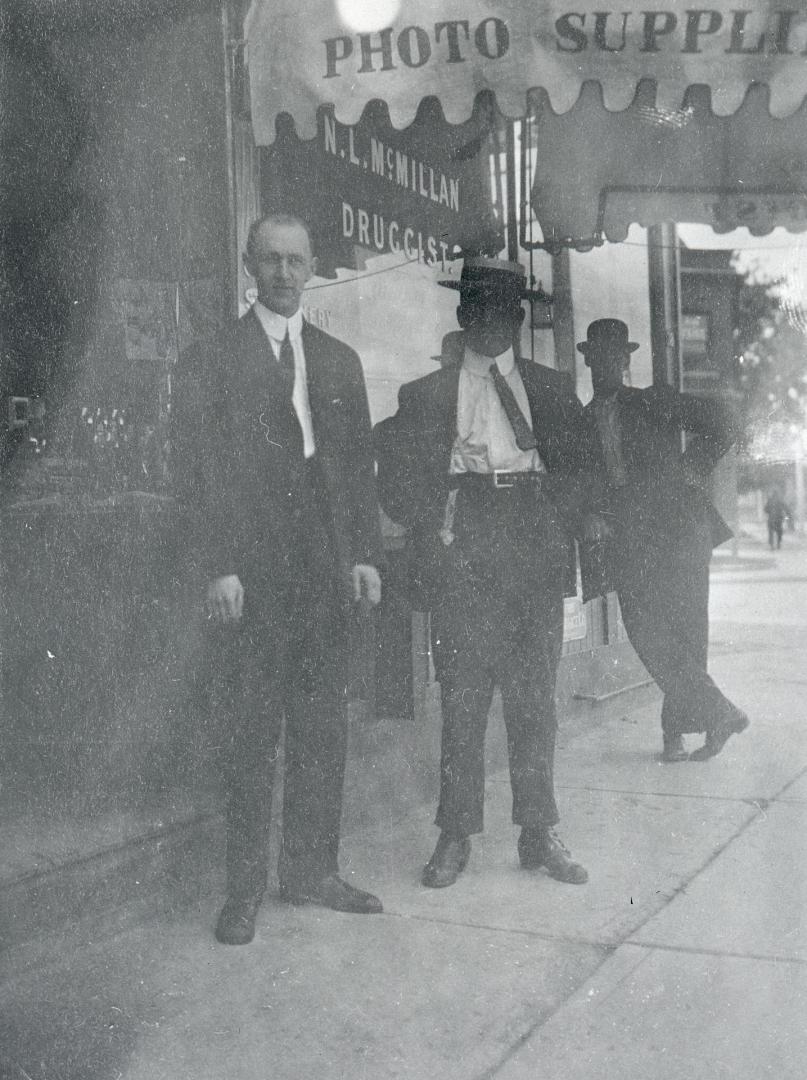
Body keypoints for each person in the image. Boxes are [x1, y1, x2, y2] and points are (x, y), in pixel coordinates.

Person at [173, 213, 384, 945]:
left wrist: (362, 554)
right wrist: (218, 566)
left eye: (296, 260)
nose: (284, 273)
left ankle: (311, 870)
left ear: (313, 265)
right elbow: (194, 476)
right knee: (251, 733)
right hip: (252, 577)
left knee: (321, 726)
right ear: (248, 267)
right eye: (270, 260)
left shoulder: (336, 360)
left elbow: (356, 467)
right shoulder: (209, 359)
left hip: (323, 573)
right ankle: (243, 890)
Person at [374, 256, 595, 890]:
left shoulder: (550, 389)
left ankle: (538, 830)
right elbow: (394, 486)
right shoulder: (425, 396)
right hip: (462, 544)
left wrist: (556, 523)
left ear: (518, 317)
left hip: (531, 541)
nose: (488, 321)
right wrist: (432, 525)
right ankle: (455, 833)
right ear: (461, 315)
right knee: (464, 698)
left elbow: (584, 473)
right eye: (476, 309)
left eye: (502, 310)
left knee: (534, 701)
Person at [578, 318, 748, 763]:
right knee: (646, 633)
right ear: (587, 360)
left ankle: (677, 735)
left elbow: (726, 420)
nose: (607, 366)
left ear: (626, 360)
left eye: (615, 357)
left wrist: (693, 468)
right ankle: (719, 713)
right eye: (599, 357)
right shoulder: (580, 420)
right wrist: (591, 511)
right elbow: (581, 481)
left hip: (681, 531)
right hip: (630, 542)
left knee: (686, 634)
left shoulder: (653, 399)